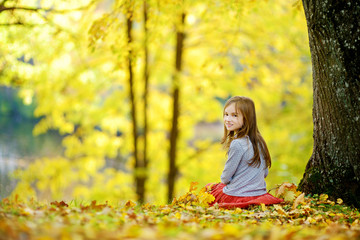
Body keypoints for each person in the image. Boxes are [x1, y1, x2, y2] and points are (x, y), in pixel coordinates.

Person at [207, 96, 283, 209]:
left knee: (210, 189)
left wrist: (236, 182)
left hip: (237, 195)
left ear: (247, 118)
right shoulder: (260, 141)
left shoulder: (237, 144)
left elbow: (225, 178)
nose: (228, 119)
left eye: (234, 115)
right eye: (226, 114)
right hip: (258, 193)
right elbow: (265, 173)